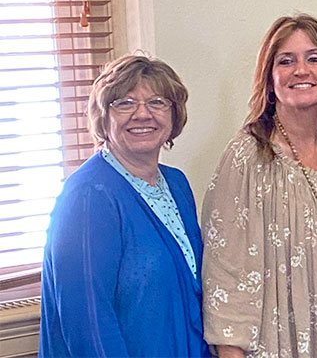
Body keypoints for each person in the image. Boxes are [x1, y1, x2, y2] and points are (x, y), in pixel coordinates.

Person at [201, 14, 317, 358]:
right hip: (278, 344)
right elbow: (226, 277)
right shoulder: (248, 158)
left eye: (314, 58)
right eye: (286, 61)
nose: (301, 70)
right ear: (270, 80)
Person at [40, 55, 208, 357]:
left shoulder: (177, 185)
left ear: (174, 115)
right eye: (125, 103)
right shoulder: (87, 197)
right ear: (103, 117)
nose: (142, 114)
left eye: (157, 102)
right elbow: (88, 326)